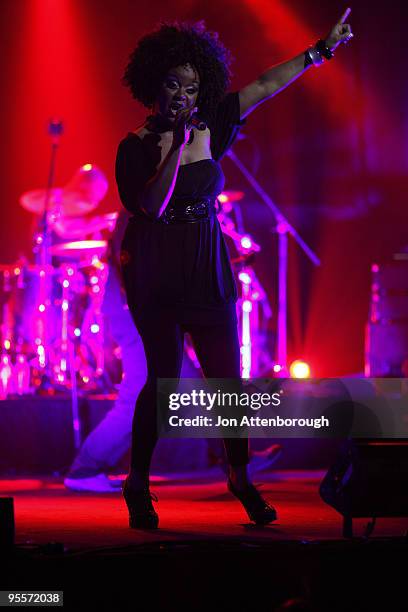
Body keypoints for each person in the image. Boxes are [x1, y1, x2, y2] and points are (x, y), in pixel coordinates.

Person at [116, 15, 353, 529]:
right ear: (155, 83)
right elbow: (151, 208)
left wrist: (319, 51)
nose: (183, 93)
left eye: (193, 85)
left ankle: (241, 478)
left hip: (206, 265)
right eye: (174, 83)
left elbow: (266, 85)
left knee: (230, 381)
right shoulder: (134, 146)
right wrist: (177, 146)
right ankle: (138, 483)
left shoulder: (214, 123)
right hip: (156, 271)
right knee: (164, 380)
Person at [63, 209, 283, 493]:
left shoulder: (166, 202)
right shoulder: (141, 204)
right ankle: (84, 469)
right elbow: (127, 259)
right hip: (135, 311)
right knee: (139, 396)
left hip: (145, 308)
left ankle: (237, 462)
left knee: (195, 391)